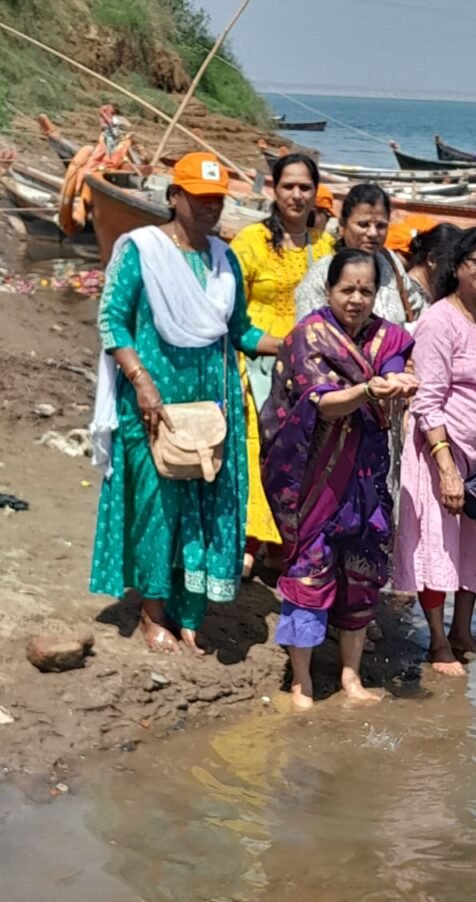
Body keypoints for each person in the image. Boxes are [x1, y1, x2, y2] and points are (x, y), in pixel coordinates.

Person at [90, 152, 268, 655]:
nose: (210, 207)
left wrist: (296, 343)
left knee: (205, 502)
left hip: (211, 404)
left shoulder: (224, 260)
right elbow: (112, 321)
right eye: (199, 197)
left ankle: (190, 614)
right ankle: (153, 612)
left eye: (217, 199)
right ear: (174, 196)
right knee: (157, 504)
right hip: (153, 402)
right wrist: (141, 381)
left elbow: (240, 332)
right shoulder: (143, 250)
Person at [260, 249, 418, 709]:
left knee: (362, 572)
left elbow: (392, 366)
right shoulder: (308, 337)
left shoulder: (387, 336)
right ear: (328, 290)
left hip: (366, 477)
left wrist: (398, 381)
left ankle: (351, 676)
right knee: (309, 572)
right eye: (347, 289)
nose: (356, 299)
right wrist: (368, 389)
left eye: (366, 290)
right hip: (317, 479)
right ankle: (301, 680)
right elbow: (323, 404)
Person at [393, 226, 476, 676]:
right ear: (457, 267)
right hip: (440, 449)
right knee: (438, 545)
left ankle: (462, 629)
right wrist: (445, 466)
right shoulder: (439, 320)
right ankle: (438, 641)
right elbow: (427, 401)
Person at [230, 154, 335, 577]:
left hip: (308, 367)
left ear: (315, 193)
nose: (296, 195)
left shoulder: (325, 246)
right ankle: (248, 541)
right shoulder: (251, 241)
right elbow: (229, 306)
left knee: (300, 454)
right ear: (274, 189)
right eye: (288, 186)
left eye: (305, 187)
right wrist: (275, 346)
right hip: (258, 358)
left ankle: (281, 543)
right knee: (259, 449)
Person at [295, 183, 426, 326]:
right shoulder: (323, 273)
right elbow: (308, 331)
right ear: (343, 225)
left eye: (381, 226)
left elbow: (417, 309)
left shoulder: (390, 263)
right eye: (363, 225)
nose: (373, 233)